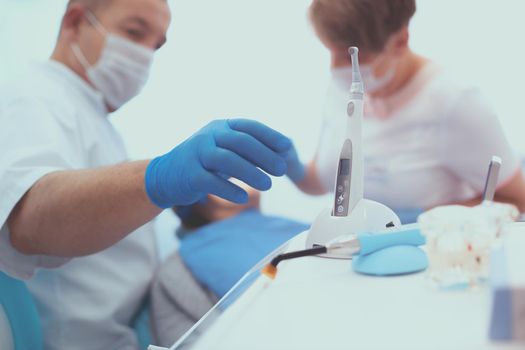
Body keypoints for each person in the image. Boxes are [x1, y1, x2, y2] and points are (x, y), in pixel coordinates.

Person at [0, 0, 294, 348]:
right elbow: (29, 218)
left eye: (155, 45)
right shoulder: (34, 98)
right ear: (75, 21)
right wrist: (156, 178)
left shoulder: (92, 117)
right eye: (134, 32)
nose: (143, 55)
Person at [285, 0, 525, 215]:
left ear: (400, 41)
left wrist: (426, 218)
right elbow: (329, 178)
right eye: (330, 50)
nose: (334, 67)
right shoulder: (344, 85)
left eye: (351, 57)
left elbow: (518, 201)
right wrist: (294, 169)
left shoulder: (456, 103)